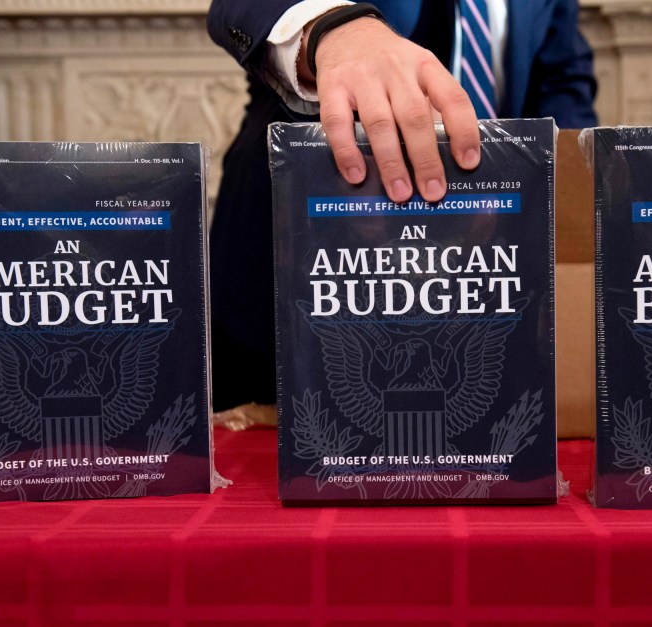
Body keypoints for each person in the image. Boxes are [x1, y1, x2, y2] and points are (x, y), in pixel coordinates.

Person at [206, 0, 597, 416]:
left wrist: (568, 186)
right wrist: (338, 31)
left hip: (479, 281)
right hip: (301, 272)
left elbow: (562, 84)